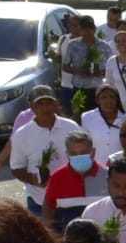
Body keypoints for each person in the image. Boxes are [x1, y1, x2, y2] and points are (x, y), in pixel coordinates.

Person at [9, 86, 80, 216]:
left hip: (70, 198)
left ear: (56, 104)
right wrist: (32, 179)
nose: (45, 108)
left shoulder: (71, 127)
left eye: (49, 103)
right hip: (39, 201)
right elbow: (16, 168)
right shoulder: (22, 135)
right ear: (32, 107)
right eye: (40, 104)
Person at [42, 129, 110, 232]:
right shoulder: (57, 178)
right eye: (73, 153)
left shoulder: (108, 176)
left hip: (103, 241)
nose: (79, 157)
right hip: (70, 242)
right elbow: (49, 206)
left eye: (83, 152)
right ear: (67, 155)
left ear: (93, 152)